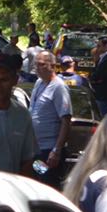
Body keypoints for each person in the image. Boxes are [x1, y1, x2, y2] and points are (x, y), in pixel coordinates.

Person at [30, 51, 72, 188]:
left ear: (53, 66)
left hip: (49, 151)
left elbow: (66, 120)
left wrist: (56, 150)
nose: (37, 68)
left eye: (41, 64)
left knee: (48, 185)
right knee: (36, 184)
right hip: (37, 149)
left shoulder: (59, 87)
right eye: (36, 64)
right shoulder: (39, 83)